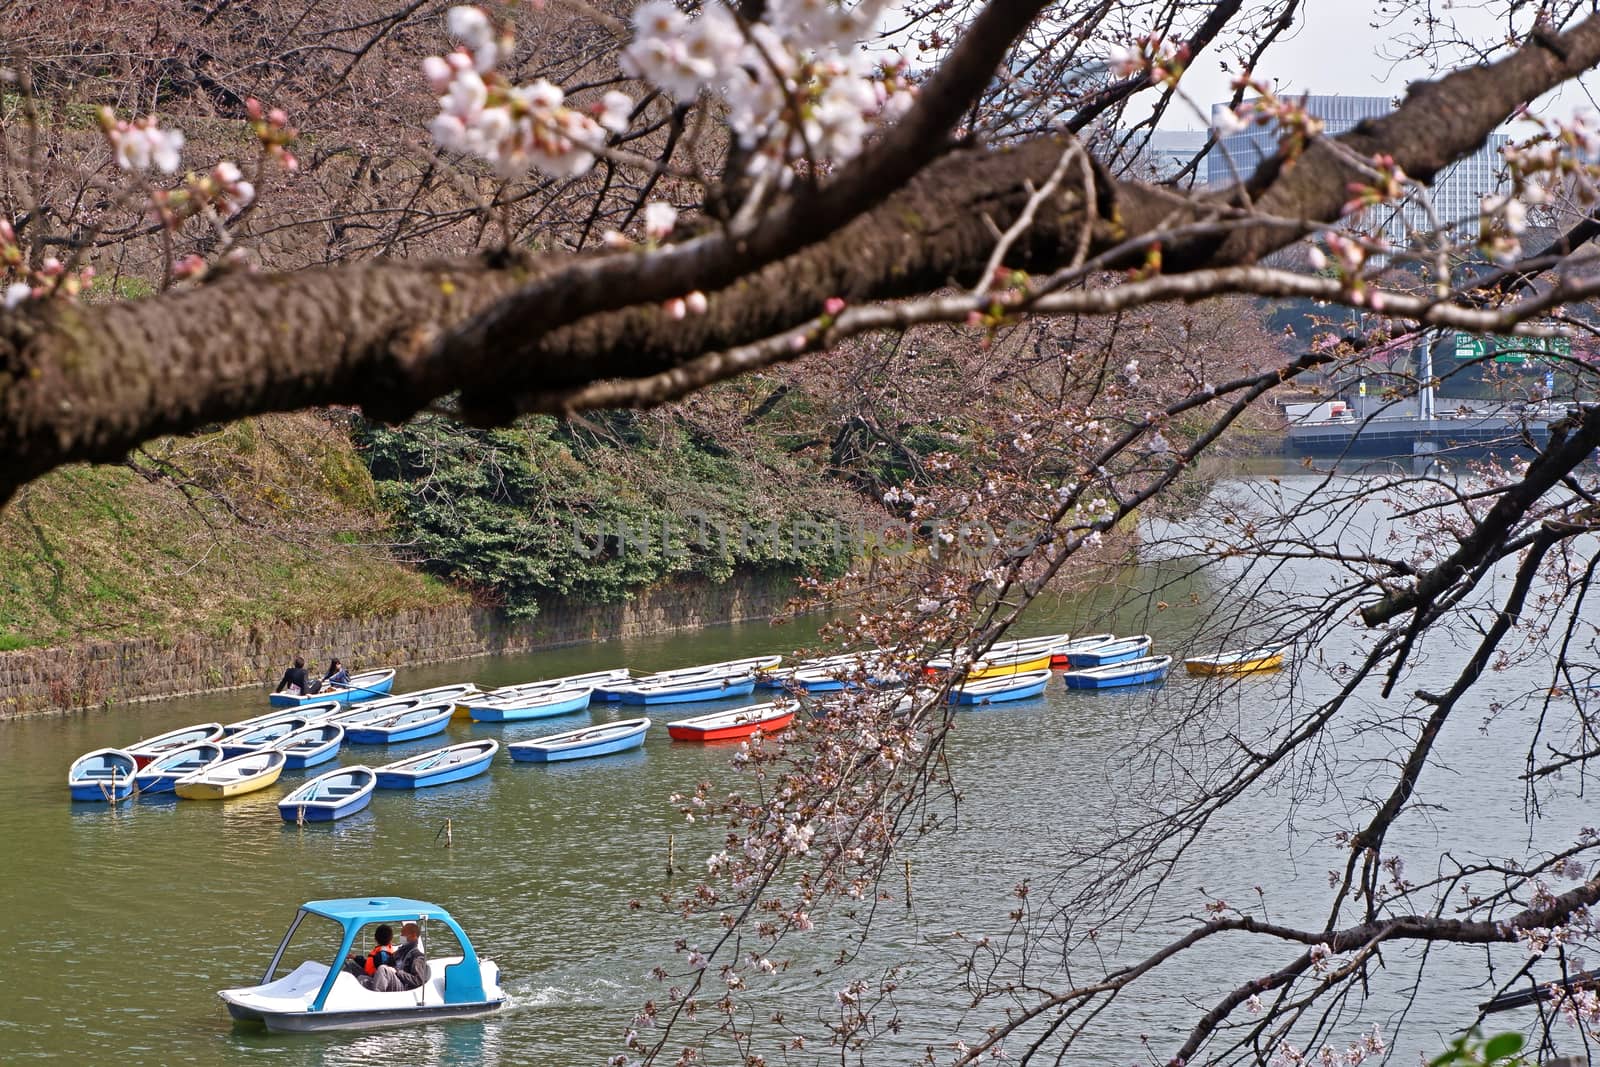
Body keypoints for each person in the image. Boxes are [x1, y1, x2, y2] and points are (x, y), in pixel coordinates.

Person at [393, 921, 428, 990]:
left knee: (383, 969)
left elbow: (418, 980)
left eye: (403, 934)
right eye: (401, 934)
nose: (401, 936)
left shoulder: (417, 957)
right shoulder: (400, 952)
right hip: (395, 980)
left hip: (404, 987)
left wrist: (397, 972)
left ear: (413, 936)